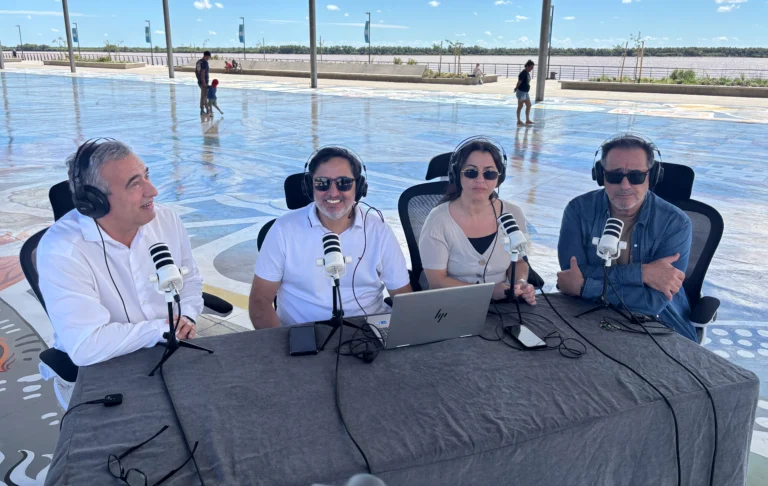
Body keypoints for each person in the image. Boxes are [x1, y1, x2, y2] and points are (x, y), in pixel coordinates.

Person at [37, 139, 203, 399]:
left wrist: (187, 317)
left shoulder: (167, 220)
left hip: (170, 354)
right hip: (98, 373)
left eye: (146, 176)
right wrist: (162, 328)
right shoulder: (62, 250)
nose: (153, 191)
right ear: (95, 201)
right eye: (135, 184)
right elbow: (86, 345)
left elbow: (190, 280)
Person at [249, 146, 412, 328]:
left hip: (368, 333)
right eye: (322, 183)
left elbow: (402, 296)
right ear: (310, 186)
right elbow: (260, 300)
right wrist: (280, 351)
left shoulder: (379, 230)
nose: (333, 193)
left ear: (359, 187)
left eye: (344, 183)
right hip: (302, 335)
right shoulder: (283, 230)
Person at [556, 134, 696, 341]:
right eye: (614, 176)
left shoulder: (675, 223)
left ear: (652, 175)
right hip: (586, 315)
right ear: (600, 176)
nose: (625, 185)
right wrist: (642, 274)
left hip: (656, 324)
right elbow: (572, 274)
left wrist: (587, 287)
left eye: (636, 176)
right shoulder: (578, 210)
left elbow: (654, 302)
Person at [419, 138, 536, 304]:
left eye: (489, 173)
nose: (480, 180)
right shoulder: (438, 220)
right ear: (456, 175)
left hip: (502, 305)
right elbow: (437, 281)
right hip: (451, 306)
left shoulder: (513, 213)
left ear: (499, 178)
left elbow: (519, 261)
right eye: (471, 172)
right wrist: (487, 292)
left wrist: (520, 284)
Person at [514, 60, 535, 126]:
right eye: (531, 67)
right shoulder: (523, 73)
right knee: (520, 106)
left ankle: (527, 120)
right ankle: (519, 120)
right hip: (521, 92)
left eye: (532, 67)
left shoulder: (527, 73)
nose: (532, 69)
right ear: (527, 66)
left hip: (526, 92)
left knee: (529, 105)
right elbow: (519, 82)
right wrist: (516, 88)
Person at [195, 51, 212, 115]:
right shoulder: (205, 63)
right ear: (207, 56)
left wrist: (199, 79)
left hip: (200, 81)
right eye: (209, 57)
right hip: (204, 81)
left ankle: (207, 109)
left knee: (205, 95)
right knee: (204, 96)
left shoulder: (198, 62)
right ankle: (202, 110)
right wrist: (203, 81)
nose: (209, 58)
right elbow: (203, 72)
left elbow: (196, 72)